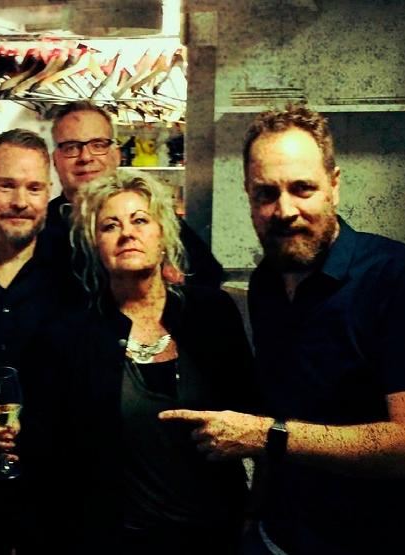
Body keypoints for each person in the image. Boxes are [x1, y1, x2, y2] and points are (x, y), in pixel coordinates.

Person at [160, 105, 405, 555]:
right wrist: (254, 514)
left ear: (334, 186)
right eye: (266, 193)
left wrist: (265, 435)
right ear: (248, 195)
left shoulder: (398, 280)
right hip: (279, 538)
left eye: (302, 188)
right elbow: (281, 408)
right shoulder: (266, 284)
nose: (284, 211)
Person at [21, 172, 254, 555]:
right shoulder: (68, 336)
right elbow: (48, 457)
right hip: (114, 542)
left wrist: (256, 509)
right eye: (110, 225)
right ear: (95, 244)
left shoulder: (212, 313)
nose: (127, 233)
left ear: (163, 235)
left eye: (140, 220)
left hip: (215, 536)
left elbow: (254, 412)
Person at [0, 128, 73, 555]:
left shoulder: (79, 269)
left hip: (58, 487)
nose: (20, 201)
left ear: (48, 192)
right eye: (6, 186)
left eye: (34, 188)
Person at [46, 100, 226, 288]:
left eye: (98, 145)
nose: (85, 157)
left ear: (117, 156)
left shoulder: (153, 215)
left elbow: (208, 275)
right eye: (71, 147)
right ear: (55, 160)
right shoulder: (39, 229)